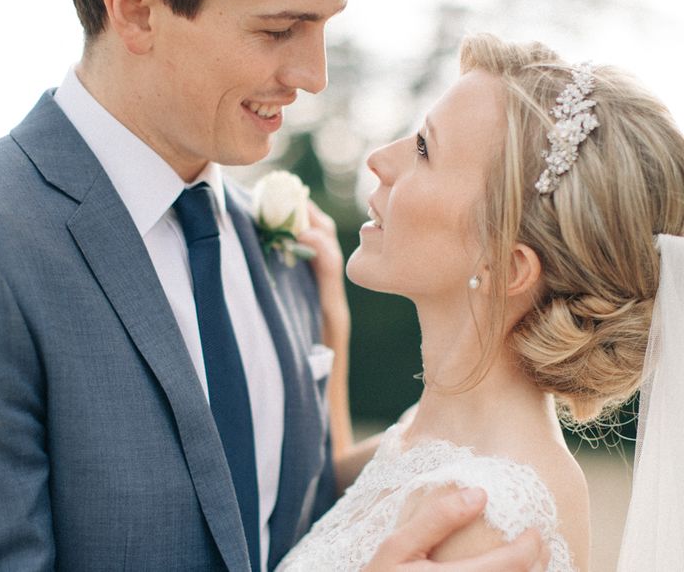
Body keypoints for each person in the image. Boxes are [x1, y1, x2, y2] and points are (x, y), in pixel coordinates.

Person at [0, 0, 548, 571]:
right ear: (136, 10)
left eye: (323, 26)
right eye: (279, 30)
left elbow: (293, 532)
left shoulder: (282, 253)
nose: (313, 74)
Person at [280, 32, 684, 570]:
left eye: (424, 149)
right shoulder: (428, 433)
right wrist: (330, 318)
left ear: (503, 266)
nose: (379, 159)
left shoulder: (489, 519)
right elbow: (323, 482)